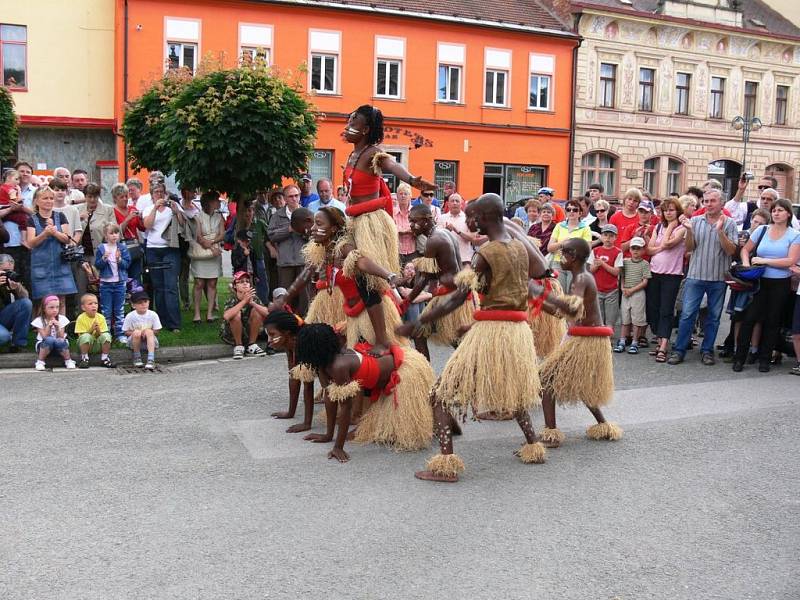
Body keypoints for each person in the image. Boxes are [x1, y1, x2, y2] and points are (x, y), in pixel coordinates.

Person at [397, 193, 550, 482]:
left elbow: (458, 298)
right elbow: (529, 283)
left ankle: (445, 464)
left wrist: (420, 320)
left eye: (472, 216)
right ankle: (533, 445)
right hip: (515, 331)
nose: (469, 221)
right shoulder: (518, 246)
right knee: (513, 389)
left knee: (439, 395)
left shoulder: (486, 254)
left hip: (493, 331)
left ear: (485, 218)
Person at [340, 104, 435, 352]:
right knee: (352, 273)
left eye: (355, 120)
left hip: (370, 224)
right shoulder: (352, 155)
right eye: (350, 118)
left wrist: (412, 180)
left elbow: (392, 166)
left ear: (366, 129)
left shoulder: (374, 153)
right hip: (353, 221)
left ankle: (382, 338)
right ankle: (367, 331)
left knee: (368, 281)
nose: (349, 123)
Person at [292, 320, 435, 462]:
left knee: (404, 433)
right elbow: (330, 395)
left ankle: (446, 422)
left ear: (312, 351)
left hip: (405, 370)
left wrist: (338, 447)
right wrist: (328, 435)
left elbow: (346, 408)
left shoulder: (338, 366)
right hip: (382, 372)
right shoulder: (325, 364)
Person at [538, 238, 622, 448]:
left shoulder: (582, 279)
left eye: (563, 253)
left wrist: (540, 294)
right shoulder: (581, 277)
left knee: (545, 380)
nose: (560, 257)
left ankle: (550, 434)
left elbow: (571, 310)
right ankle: (603, 425)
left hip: (586, 339)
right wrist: (538, 301)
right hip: (583, 337)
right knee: (582, 384)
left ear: (572, 257)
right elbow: (564, 313)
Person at [668, 188, 738, 366]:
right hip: (695, 275)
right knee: (687, 314)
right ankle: (679, 350)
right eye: (706, 201)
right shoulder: (695, 221)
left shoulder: (729, 223)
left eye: (712, 201)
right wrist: (689, 231)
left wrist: (720, 232)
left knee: (713, 317)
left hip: (718, 278)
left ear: (721, 203)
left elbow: (731, 251)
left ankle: (707, 350)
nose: (708, 204)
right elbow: (690, 248)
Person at [733, 199, 800, 373]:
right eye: (774, 210)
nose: (776, 213)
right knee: (749, 318)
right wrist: (747, 264)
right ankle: (739, 358)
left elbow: (790, 261)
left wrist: (764, 260)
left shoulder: (794, 235)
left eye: (780, 210)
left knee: (772, 321)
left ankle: (765, 359)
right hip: (760, 281)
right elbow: (745, 249)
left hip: (780, 283)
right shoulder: (762, 230)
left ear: (788, 214)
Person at [403, 203, 474, 360]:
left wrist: (406, 301)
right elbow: (442, 270)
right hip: (456, 292)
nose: (411, 226)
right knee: (457, 339)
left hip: (450, 295)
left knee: (419, 332)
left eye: (414, 221)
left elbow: (424, 279)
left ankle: (427, 373)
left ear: (427, 221)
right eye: (410, 221)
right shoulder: (444, 233)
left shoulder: (433, 240)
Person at [645, 197, 687, 362]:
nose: (668, 213)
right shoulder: (658, 226)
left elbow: (669, 243)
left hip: (672, 274)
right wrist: (659, 246)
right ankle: (659, 337)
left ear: (677, 211)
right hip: (655, 272)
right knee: (653, 308)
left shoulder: (682, 228)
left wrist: (670, 227)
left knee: (666, 310)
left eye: (671, 210)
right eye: (665, 210)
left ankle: (663, 345)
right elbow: (649, 249)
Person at [141, 182, 185, 332]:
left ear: (165, 193)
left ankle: (174, 323)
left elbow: (183, 225)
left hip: (170, 249)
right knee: (158, 286)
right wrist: (155, 207)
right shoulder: (148, 209)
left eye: (161, 192)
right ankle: (161, 322)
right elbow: (148, 225)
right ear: (152, 195)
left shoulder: (172, 208)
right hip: (153, 249)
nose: (159, 194)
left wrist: (176, 211)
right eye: (156, 192)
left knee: (171, 286)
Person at [26, 186, 77, 309]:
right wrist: (44, 234)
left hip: (60, 265)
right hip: (41, 266)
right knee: (44, 303)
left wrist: (55, 233)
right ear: (37, 201)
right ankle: (42, 328)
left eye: (51, 198)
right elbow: (30, 243)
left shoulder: (61, 216)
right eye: (45, 198)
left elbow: (67, 239)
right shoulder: (32, 220)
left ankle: (61, 328)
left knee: (61, 301)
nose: (49, 201)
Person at [267, 186, 312, 316]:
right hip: (285, 262)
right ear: (285, 198)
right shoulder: (277, 215)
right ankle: (286, 323)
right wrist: (289, 230)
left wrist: (304, 232)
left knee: (305, 297)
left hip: (303, 261)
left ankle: (304, 322)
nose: (294, 199)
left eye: (296, 195)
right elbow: (271, 235)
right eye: (291, 196)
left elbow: (314, 236)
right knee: (285, 295)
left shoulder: (307, 214)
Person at [190, 191, 225, 324]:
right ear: (209, 202)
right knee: (199, 283)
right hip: (202, 251)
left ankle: (210, 313)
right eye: (217, 200)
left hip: (214, 250)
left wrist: (213, 242)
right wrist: (211, 247)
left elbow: (222, 234)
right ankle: (197, 314)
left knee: (212, 283)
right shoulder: (197, 217)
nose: (219, 202)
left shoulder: (219, 216)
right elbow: (198, 236)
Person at [613, 237, 651, 354]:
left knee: (637, 319)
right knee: (625, 318)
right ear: (629, 250)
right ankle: (623, 340)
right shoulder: (625, 262)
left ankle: (635, 341)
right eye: (633, 248)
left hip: (638, 293)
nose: (635, 251)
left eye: (638, 249)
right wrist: (623, 288)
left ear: (643, 250)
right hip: (626, 293)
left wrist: (632, 290)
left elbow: (645, 282)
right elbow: (622, 277)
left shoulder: (645, 264)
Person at [94, 222, 130, 343]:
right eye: (111, 233)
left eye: (116, 233)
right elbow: (97, 265)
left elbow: (126, 265)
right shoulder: (101, 248)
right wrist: (104, 258)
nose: (114, 235)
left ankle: (120, 333)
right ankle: (106, 333)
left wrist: (119, 259)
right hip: (106, 283)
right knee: (106, 310)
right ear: (105, 235)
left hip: (120, 282)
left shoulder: (122, 248)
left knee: (119, 309)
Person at [547, 198, 593, 291]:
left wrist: (573, 246)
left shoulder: (585, 228)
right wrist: (562, 243)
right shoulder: (559, 226)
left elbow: (587, 249)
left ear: (580, 213)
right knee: (559, 293)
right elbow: (550, 248)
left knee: (572, 294)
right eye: (568, 209)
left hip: (575, 265)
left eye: (575, 210)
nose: (571, 212)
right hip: (558, 263)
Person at [221, 271, 268, 359]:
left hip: (249, 332)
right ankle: (239, 346)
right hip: (231, 334)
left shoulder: (254, 297)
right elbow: (226, 316)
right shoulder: (232, 299)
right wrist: (244, 301)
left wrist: (253, 303)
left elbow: (267, 313)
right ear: (235, 286)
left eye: (247, 281)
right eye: (241, 281)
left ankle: (251, 345)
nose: (245, 283)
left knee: (257, 311)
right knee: (235, 314)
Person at [590, 223, 623, 331]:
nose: (608, 238)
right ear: (601, 236)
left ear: (615, 237)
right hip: (597, 289)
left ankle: (608, 340)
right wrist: (596, 265)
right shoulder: (595, 251)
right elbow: (590, 270)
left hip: (611, 290)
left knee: (610, 319)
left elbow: (616, 272)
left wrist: (602, 264)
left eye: (611, 236)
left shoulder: (618, 252)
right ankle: (599, 342)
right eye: (605, 235)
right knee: (599, 318)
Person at [236, 200, 270, 303]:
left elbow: (269, 236)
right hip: (243, 258)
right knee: (244, 282)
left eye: (250, 211)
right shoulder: (239, 225)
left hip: (258, 257)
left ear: (253, 211)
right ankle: (244, 302)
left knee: (260, 280)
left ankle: (263, 302)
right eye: (245, 211)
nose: (248, 213)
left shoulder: (259, 223)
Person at [111, 182, 144, 285]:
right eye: (122, 197)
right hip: (120, 250)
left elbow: (142, 228)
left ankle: (136, 299)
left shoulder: (133, 209)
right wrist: (128, 219)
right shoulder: (112, 211)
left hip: (134, 248)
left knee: (136, 279)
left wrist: (142, 218)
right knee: (122, 278)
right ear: (115, 198)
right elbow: (115, 231)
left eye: (126, 196)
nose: (125, 199)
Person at [32, 295, 76, 370]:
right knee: (50, 339)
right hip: (44, 346)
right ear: (44, 309)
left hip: (59, 347)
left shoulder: (62, 319)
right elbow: (44, 337)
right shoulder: (39, 320)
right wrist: (48, 326)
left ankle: (68, 360)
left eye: (57, 307)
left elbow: (61, 336)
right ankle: (40, 361)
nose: (55, 310)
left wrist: (58, 327)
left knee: (60, 340)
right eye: (51, 307)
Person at [0, 253, 33, 352]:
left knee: (26, 303)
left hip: (3, 317)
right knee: (3, 336)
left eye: (10, 271)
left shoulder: (11, 281)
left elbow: (26, 303)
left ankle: (18, 344)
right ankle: (8, 336)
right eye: (5, 271)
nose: (8, 274)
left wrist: (18, 288)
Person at [123, 290, 161, 370]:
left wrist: (146, 332)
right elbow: (126, 332)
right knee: (136, 332)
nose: (143, 304)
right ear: (133, 305)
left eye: (145, 301)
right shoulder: (130, 316)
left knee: (149, 331)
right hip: (134, 342)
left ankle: (151, 359)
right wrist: (138, 333)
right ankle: (137, 357)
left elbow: (157, 330)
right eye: (140, 303)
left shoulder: (153, 314)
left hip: (150, 341)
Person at [437, 193, 479, 266]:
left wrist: (458, 231)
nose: (454, 203)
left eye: (457, 201)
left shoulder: (468, 218)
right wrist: (446, 231)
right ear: (448, 204)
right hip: (446, 259)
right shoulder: (442, 218)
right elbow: (437, 238)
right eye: (452, 201)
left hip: (464, 259)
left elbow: (473, 238)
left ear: (461, 204)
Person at [74, 293, 114, 368]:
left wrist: (98, 330)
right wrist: (91, 330)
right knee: (86, 336)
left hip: (97, 345)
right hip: (85, 345)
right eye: (90, 304)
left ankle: (105, 358)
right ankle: (84, 358)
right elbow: (81, 337)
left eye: (96, 303)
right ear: (83, 307)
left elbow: (102, 336)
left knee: (107, 335)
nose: (94, 305)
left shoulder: (101, 317)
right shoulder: (81, 318)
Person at [394, 183, 417, 265]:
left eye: (405, 194)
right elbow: (390, 229)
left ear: (410, 196)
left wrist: (400, 230)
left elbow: (418, 228)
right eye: (400, 194)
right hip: (396, 252)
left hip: (413, 251)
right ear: (397, 196)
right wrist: (408, 230)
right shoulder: (392, 212)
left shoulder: (416, 212)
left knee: (412, 275)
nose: (403, 196)